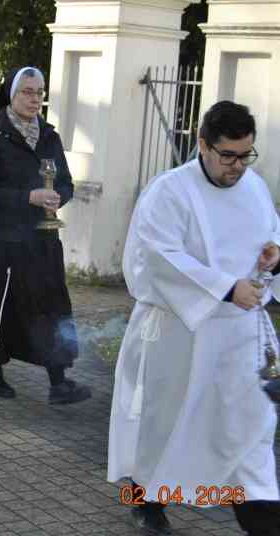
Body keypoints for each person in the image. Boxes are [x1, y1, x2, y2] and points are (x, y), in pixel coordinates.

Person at [108, 101, 280, 536]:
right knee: (164, 426)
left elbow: (271, 230)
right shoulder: (169, 192)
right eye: (228, 155)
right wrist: (225, 287)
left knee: (250, 427)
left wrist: (274, 254)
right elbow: (159, 257)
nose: (238, 166)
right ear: (203, 145)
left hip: (240, 337)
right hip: (180, 334)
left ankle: (262, 518)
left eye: (246, 155)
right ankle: (145, 500)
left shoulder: (254, 187)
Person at [0, 67, 91, 404]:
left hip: (40, 241)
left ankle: (59, 381)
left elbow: (65, 183)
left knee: (51, 306)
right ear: (11, 95)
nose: (35, 98)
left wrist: (58, 197)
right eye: (27, 92)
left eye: (39, 92)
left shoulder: (49, 137)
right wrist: (28, 197)